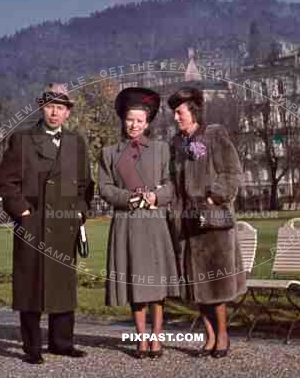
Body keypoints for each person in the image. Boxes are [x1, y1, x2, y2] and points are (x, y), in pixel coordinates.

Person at [0, 83, 94, 364]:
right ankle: (32, 347)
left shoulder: (76, 143)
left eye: (60, 108)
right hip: (33, 224)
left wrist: (80, 212)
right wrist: (22, 212)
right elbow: (4, 183)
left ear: (68, 113)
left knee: (63, 285)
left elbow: (85, 185)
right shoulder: (22, 140)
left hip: (65, 225)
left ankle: (62, 343)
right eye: (50, 106)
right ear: (42, 107)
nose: (54, 112)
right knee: (31, 285)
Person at [99, 87, 180, 359]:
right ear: (123, 119)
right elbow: (105, 188)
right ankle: (140, 339)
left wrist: (157, 195)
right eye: (129, 119)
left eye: (139, 120)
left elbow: (171, 185)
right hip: (127, 224)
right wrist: (129, 197)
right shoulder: (110, 153)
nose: (133, 125)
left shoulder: (161, 150)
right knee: (136, 285)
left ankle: (157, 339)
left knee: (156, 287)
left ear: (147, 123)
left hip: (154, 223)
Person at [167, 87, 246, 358]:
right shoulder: (176, 144)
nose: (176, 117)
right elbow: (174, 183)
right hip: (188, 225)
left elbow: (232, 172)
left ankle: (223, 335)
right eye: (175, 113)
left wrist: (214, 197)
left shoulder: (214, 135)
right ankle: (209, 336)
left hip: (213, 225)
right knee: (197, 286)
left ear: (193, 112)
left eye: (179, 112)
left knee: (216, 285)